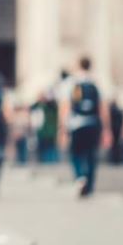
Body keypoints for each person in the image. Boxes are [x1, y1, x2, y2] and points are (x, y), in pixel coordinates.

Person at [58, 57, 112, 197]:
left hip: (76, 124)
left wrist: (62, 129)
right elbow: (103, 108)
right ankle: (90, 184)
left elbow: (65, 108)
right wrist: (107, 129)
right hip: (93, 123)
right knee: (91, 154)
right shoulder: (98, 82)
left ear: (77, 66)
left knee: (76, 153)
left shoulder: (70, 83)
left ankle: (80, 177)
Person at [32, 90, 60, 163]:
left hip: (50, 132)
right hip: (42, 132)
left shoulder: (51, 106)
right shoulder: (38, 107)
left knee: (50, 150)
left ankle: (51, 162)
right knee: (43, 150)